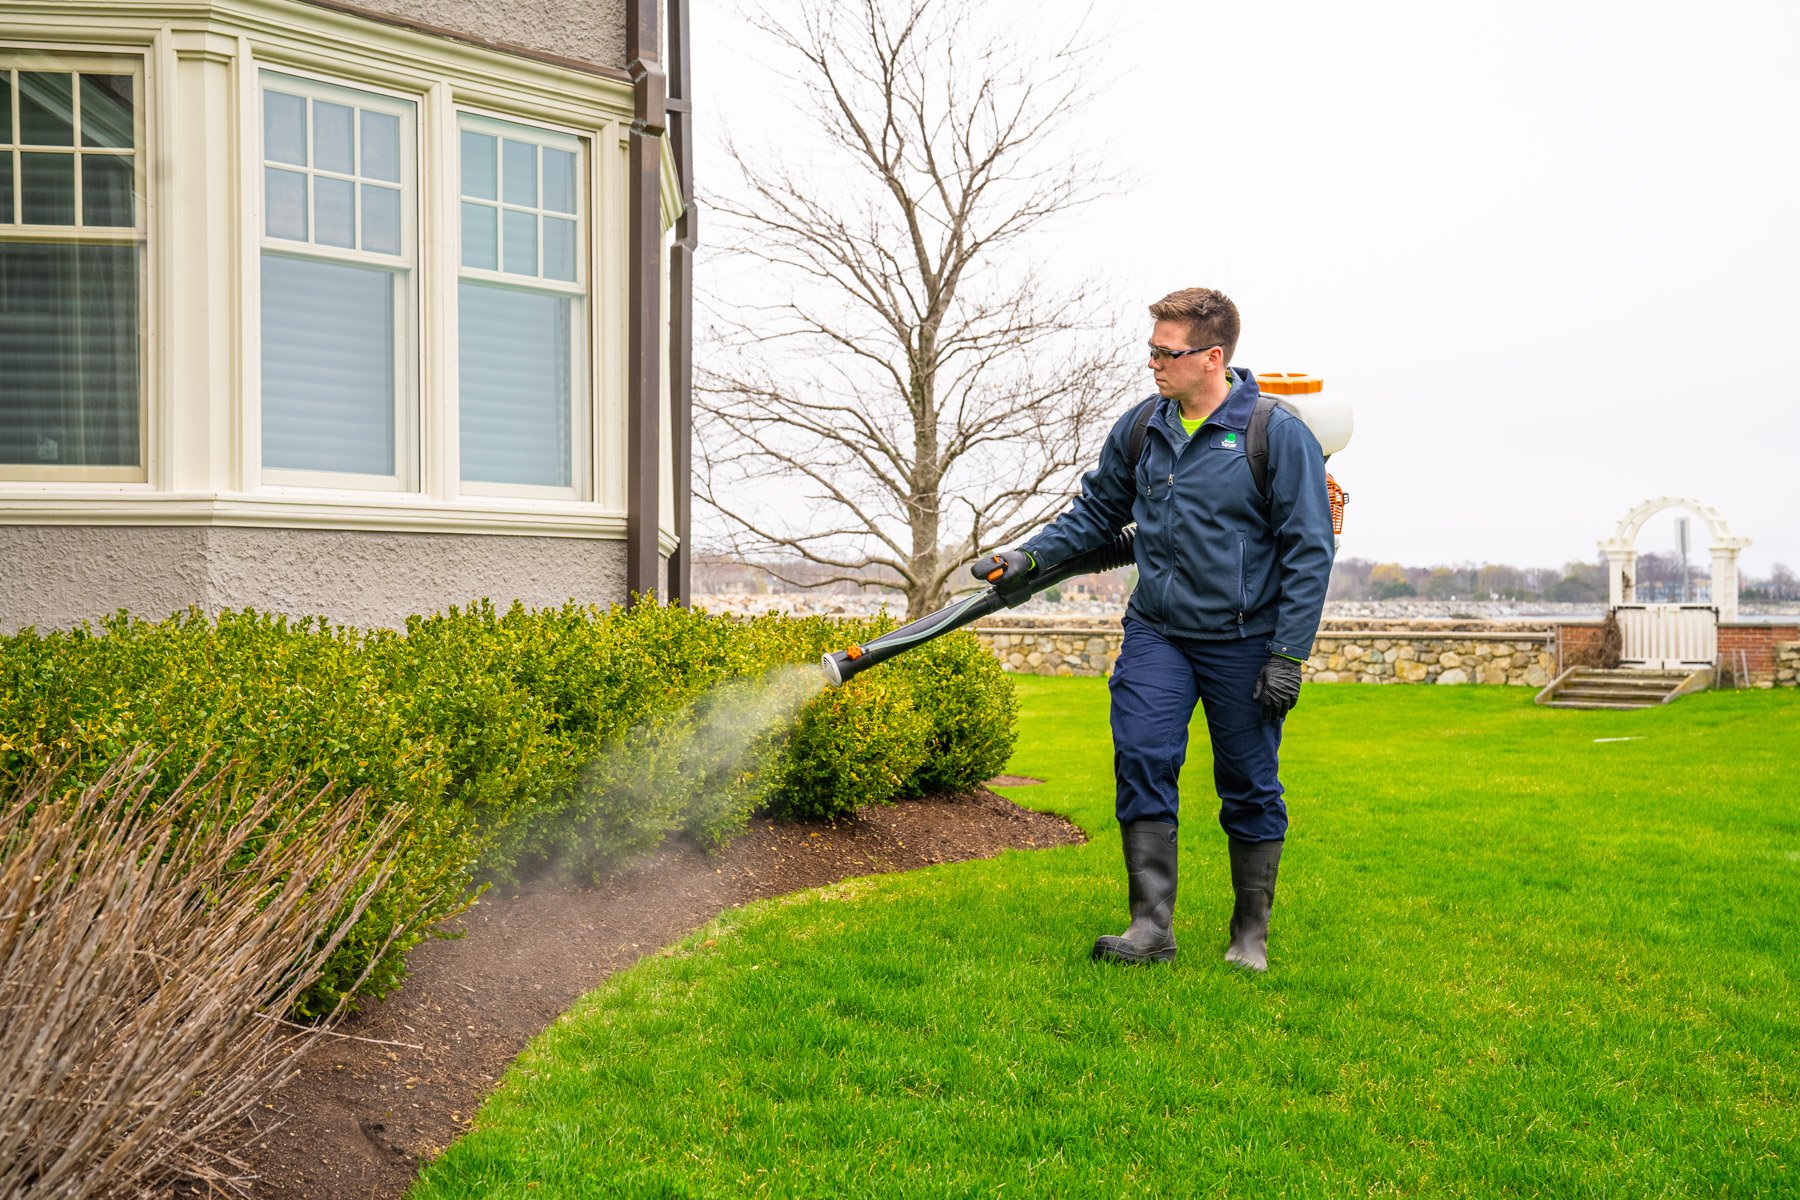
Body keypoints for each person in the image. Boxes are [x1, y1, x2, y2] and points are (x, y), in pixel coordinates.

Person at [972, 288, 1333, 971]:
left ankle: (1249, 934)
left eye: (1167, 353)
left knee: (1249, 782)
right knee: (1140, 755)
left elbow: (1310, 551)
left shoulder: (1273, 433)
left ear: (1212, 356)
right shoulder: (1143, 427)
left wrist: (1287, 654)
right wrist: (1031, 555)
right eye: (1151, 351)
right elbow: (1095, 515)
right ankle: (1149, 929)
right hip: (1158, 632)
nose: (1153, 364)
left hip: (1244, 639)